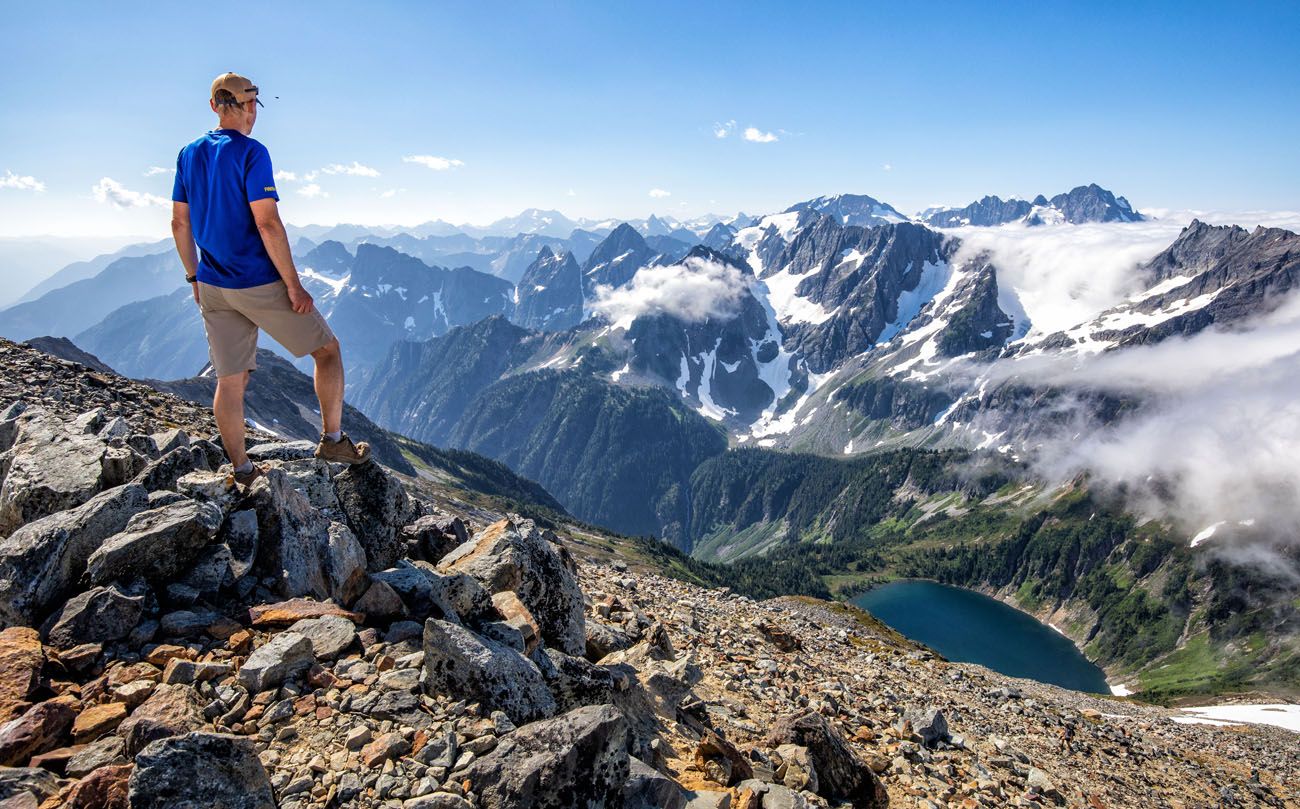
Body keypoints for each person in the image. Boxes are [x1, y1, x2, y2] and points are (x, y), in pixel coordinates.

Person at [170, 72, 370, 486]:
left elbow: (179, 223)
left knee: (230, 379)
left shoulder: (188, 153)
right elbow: (268, 224)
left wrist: (193, 277)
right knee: (327, 350)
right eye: (253, 104)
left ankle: (242, 470)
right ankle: (333, 440)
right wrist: (294, 286)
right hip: (256, 280)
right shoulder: (252, 153)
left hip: (212, 282)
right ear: (247, 107)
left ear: (213, 106)